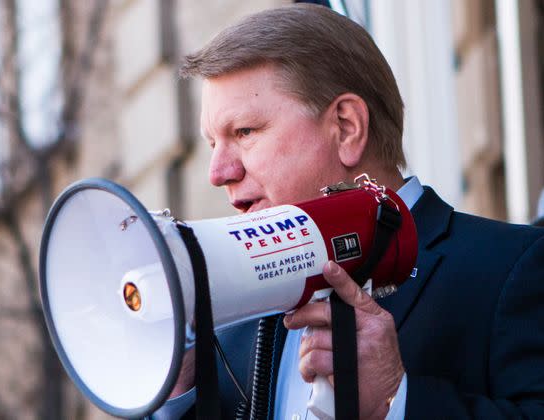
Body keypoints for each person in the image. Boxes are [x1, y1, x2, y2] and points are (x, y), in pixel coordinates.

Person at [153, 4, 544, 419]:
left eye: (245, 132)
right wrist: (177, 399)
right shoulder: (228, 325)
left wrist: (396, 402)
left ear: (346, 126)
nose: (219, 173)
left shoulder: (515, 269)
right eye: (213, 143)